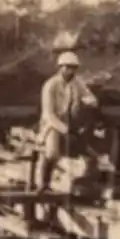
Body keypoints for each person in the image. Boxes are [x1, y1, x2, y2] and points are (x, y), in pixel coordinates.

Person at [36, 50, 99, 192]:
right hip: (52, 124)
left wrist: (87, 102)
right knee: (52, 152)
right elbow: (49, 114)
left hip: (72, 121)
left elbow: (91, 98)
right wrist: (65, 130)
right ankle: (43, 183)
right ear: (61, 67)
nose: (70, 71)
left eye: (73, 68)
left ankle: (85, 182)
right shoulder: (50, 85)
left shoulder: (77, 83)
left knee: (90, 153)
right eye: (67, 67)